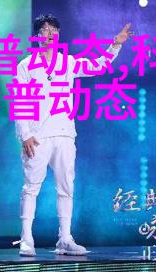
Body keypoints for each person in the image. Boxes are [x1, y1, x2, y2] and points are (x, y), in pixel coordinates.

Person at [15, 14, 133, 256]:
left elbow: (98, 65)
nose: (49, 33)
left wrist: (116, 44)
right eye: (44, 29)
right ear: (36, 36)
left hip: (64, 135)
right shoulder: (26, 65)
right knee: (31, 188)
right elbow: (20, 101)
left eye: (53, 29)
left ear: (59, 34)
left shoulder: (68, 63)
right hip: (37, 137)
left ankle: (65, 239)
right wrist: (25, 134)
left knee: (66, 187)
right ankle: (26, 238)